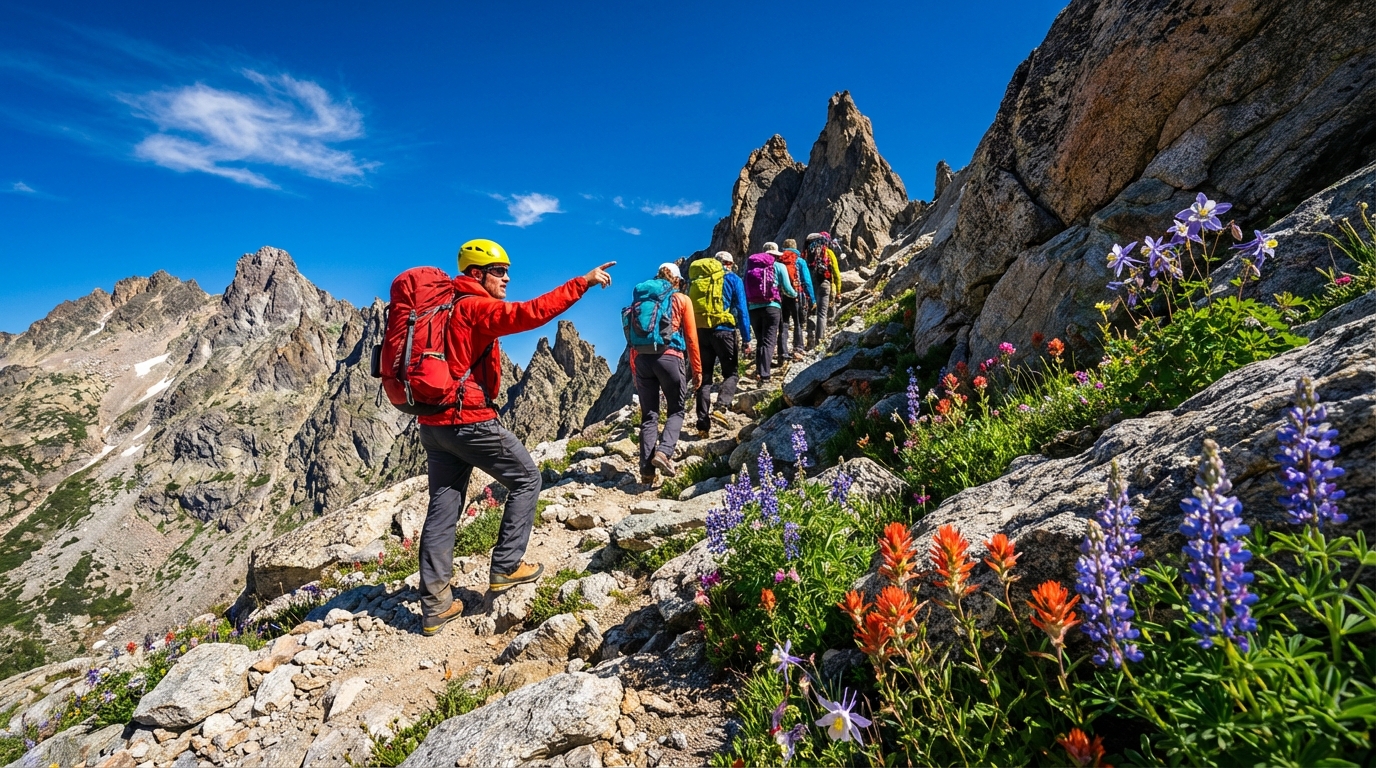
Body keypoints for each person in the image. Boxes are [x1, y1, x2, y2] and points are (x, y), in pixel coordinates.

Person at [417, 239, 615, 636]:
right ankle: (507, 566)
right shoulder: (475, 306)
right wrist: (583, 283)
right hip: (467, 419)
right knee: (527, 478)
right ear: (476, 274)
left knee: (443, 506)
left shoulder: (444, 308)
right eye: (498, 271)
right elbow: (531, 313)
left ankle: (436, 604)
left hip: (433, 425)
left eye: (508, 270)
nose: (507, 278)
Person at [628, 263, 702, 485]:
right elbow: (691, 338)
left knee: (649, 415)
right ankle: (664, 452)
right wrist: (697, 370)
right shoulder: (681, 299)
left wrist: (635, 371)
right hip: (670, 358)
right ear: (677, 280)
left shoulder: (642, 301)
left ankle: (646, 471)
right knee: (676, 410)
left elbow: (632, 340)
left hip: (642, 359)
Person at [689, 251, 751, 438]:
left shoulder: (699, 281)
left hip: (701, 332)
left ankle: (702, 424)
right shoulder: (733, 279)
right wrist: (747, 338)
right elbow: (741, 309)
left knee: (705, 378)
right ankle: (722, 406)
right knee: (731, 372)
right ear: (729, 263)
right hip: (724, 331)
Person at [744, 242, 797, 382]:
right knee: (769, 341)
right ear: (775, 254)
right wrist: (795, 295)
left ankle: (759, 371)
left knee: (760, 340)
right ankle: (765, 375)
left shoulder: (751, 267)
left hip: (753, 308)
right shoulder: (778, 266)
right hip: (772, 306)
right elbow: (787, 288)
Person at [778, 239, 814, 362]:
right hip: (797, 295)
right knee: (798, 322)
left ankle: (782, 351)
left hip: (782, 296)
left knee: (784, 324)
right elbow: (807, 281)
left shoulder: (778, 260)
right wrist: (812, 299)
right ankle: (798, 347)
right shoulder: (800, 261)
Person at [805, 232, 842, 350]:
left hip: (811, 285)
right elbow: (836, 273)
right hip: (825, 283)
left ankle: (809, 340)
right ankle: (819, 341)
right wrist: (838, 291)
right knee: (822, 313)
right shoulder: (828, 253)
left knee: (811, 312)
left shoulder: (807, 254)